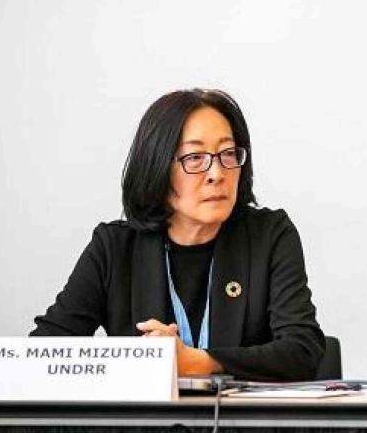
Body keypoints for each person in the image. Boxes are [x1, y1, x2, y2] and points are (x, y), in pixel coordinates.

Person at [31, 89, 325, 381]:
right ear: (156, 167)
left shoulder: (269, 236)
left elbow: (302, 351)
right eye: (195, 158)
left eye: (228, 154)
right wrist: (139, 360)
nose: (217, 173)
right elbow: (44, 351)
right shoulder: (114, 249)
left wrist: (199, 362)